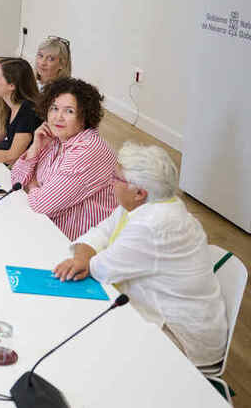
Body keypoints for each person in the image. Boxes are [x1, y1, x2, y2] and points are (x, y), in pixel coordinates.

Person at [53, 143, 227, 367]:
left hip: (180, 337)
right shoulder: (149, 203)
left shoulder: (153, 225)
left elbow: (100, 269)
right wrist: (81, 258)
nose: (111, 182)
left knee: (86, 342)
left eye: (116, 178)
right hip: (156, 307)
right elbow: (100, 232)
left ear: (139, 193)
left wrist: (84, 261)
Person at [11, 77, 117, 240]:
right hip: (44, 225)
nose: (58, 117)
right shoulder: (54, 137)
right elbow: (16, 179)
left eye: (69, 111)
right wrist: (35, 147)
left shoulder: (88, 149)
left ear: (85, 116)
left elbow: (42, 204)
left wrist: (31, 184)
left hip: (75, 244)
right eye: (54, 108)